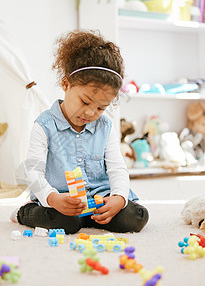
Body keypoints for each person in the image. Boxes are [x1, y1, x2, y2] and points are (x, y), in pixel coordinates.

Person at [12, 30, 149, 234]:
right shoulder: (45, 125)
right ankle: (23, 213)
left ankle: (96, 218)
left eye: (101, 107)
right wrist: (52, 198)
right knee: (67, 223)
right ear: (66, 84)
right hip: (63, 202)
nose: (91, 112)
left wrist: (119, 199)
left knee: (137, 217)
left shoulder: (105, 127)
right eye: (85, 101)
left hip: (99, 199)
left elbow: (117, 168)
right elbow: (33, 171)